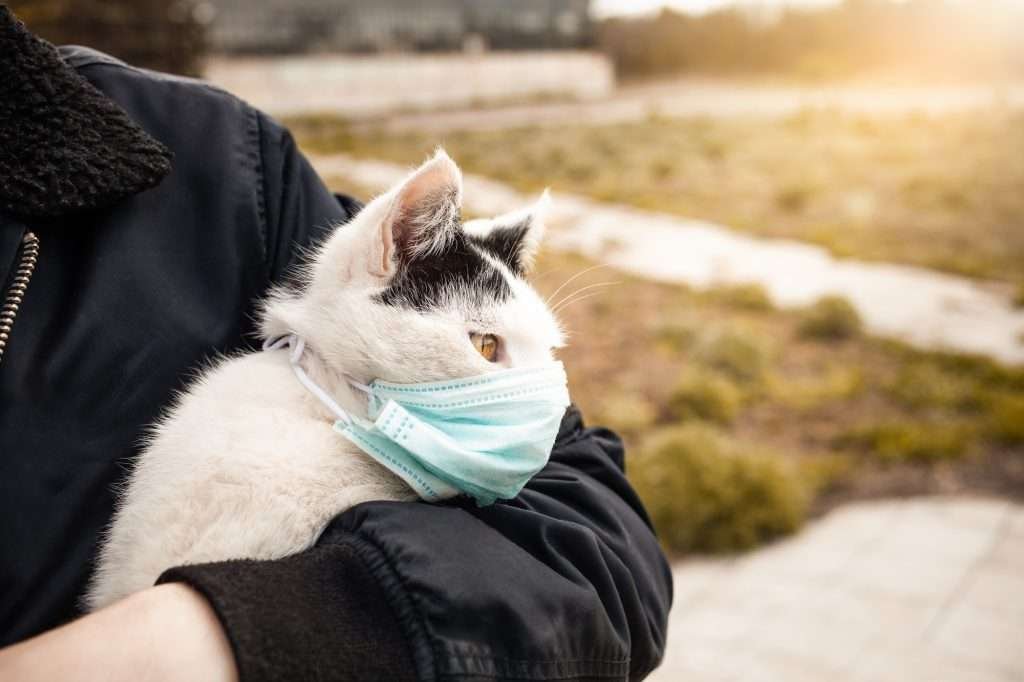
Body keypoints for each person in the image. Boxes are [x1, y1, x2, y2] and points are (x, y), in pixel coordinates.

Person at [0, 8, 672, 681]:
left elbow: (599, 545)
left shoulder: (230, 161)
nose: (536, 393)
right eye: (489, 348)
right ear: (394, 247)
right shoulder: (242, 433)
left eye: (545, 353)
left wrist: (241, 635)